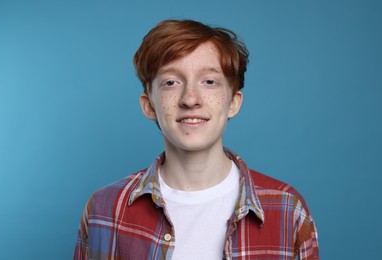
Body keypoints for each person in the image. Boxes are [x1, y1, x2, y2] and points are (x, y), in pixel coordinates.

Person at [74, 19, 319, 260]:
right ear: (149, 105)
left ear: (234, 102)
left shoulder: (287, 209)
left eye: (209, 82)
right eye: (171, 82)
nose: (190, 99)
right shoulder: (104, 210)